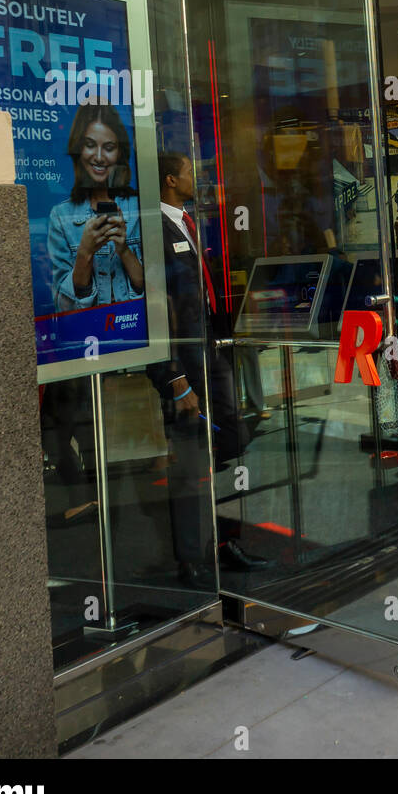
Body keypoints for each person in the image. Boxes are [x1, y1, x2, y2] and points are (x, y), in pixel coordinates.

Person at [147, 153, 266, 588]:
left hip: (210, 354)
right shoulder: (154, 229)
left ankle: (226, 540)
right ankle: (193, 557)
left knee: (230, 444)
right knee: (192, 461)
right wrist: (175, 377)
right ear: (169, 179)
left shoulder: (186, 222)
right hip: (186, 363)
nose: (196, 178)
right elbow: (156, 309)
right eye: (188, 173)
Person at [47, 103, 144, 311]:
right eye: (90, 144)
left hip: (133, 326)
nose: (99, 157)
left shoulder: (140, 208)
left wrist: (124, 250)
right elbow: (63, 307)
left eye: (109, 148)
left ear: (119, 153)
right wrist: (84, 253)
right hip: (88, 332)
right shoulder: (61, 216)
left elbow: (155, 289)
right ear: (79, 148)